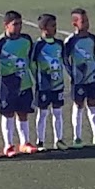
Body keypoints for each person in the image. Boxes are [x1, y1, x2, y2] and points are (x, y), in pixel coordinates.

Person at [0, 10, 37, 157]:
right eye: (15, 24)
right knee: (8, 113)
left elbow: (31, 58)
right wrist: (6, 74)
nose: (18, 27)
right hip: (7, 85)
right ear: (6, 25)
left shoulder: (26, 40)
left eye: (20, 24)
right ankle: (8, 145)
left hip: (25, 82)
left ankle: (25, 142)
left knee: (23, 113)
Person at [64, 8, 95, 148]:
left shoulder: (92, 38)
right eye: (83, 21)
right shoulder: (71, 41)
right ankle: (77, 137)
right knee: (78, 105)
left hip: (91, 78)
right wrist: (72, 74)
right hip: (78, 80)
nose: (86, 24)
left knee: (93, 104)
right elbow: (65, 59)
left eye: (87, 21)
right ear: (75, 23)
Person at [32, 13, 67, 151]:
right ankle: (40, 141)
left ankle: (58, 140)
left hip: (58, 84)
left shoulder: (59, 44)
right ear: (44, 28)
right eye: (53, 26)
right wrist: (38, 78)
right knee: (43, 113)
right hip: (43, 86)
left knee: (58, 112)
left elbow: (63, 61)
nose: (55, 28)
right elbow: (32, 63)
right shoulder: (38, 45)